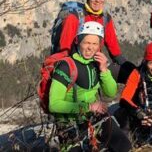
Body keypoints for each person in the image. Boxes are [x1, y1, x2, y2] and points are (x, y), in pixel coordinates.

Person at [48, 22, 131, 152]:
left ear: (99, 46)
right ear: (78, 42)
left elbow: (111, 92)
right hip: (70, 123)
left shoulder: (97, 64)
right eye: (86, 42)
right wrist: (89, 107)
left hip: (93, 118)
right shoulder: (65, 66)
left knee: (124, 146)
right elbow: (54, 104)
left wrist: (104, 70)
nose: (90, 48)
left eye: (94, 44)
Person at [57, 0, 131, 82]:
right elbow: (64, 50)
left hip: (95, 64)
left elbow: (115, 52)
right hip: (75, 66)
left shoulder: (105, 19)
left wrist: (131, 69)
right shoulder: (74, 17)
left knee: (131, 77)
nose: (98, 0)